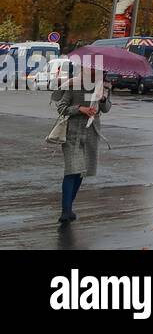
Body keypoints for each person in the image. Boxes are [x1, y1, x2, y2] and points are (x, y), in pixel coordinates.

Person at [50, 62, 111, 223]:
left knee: (81, 171)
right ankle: (65, 210)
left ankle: (69, 207)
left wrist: (103, 99)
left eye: (97, 69)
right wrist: (80, 109)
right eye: (91, 68)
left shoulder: (103, 86)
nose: (94, 71)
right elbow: (61, 107)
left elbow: (106, 109)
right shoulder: (74, 84)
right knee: (71, 170)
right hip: (73, 133)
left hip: (92, 133)